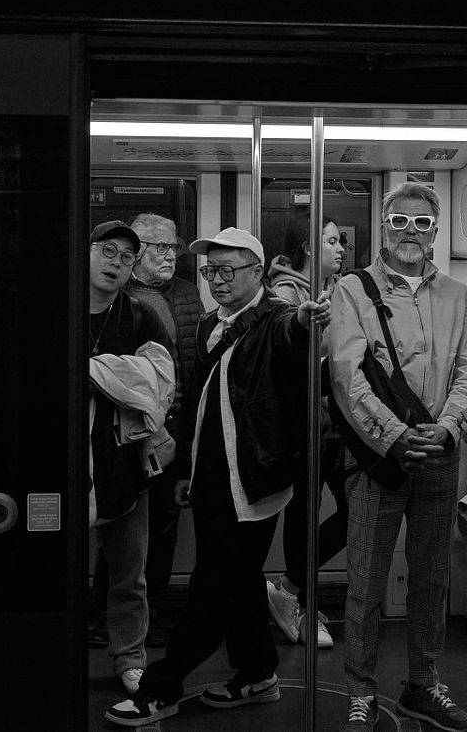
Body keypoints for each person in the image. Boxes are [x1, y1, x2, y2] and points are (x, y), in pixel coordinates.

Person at [106, 227, 332, 728]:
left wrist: (305, 320)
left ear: (259, 272)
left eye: (228, 271)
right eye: (210, 272)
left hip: (251, 478)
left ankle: (160, 689)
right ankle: (257, 673)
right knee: (240, 579)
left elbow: (292, 334)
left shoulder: (273, 318)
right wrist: (186, 469)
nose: (217, 281)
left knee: (212, 587)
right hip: (211, 475)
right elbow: (201, 407)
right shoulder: (212, 323)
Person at [327, 182, 467, 732]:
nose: (410, 233)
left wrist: (442, 430)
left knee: (431, 577)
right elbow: (347, 377)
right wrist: (396, 435)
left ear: (437, 231)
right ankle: (359, 688)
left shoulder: (458, 296)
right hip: (379, 457)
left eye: (422, 223)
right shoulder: (351, 290)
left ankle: (424, 682)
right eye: (400, 222)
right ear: (384, 226)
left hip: (438, 455)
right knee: (366, 580)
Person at [90, 212, 205, 649]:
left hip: (171, 424)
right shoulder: (124, 302)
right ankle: (101, 618)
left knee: (162, 527)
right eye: (157, 247)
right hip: (121, 431)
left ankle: (148, 616)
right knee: (117, 528)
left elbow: (187, 368)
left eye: (172, 247)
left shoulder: (188, 295)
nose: (168, 256)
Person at [86, 219, 176, 697]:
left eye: (126, 257)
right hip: (70, 463)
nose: (115, 263)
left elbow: (160, 384)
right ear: (88, 252)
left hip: (124, 461)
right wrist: (122, 376)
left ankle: (130, 658)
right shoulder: (58, 304)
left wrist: (98, 372)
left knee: (129, 573)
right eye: (108, 251)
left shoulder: (141, 315)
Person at [265, 212, 348, 649]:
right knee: (304, 514)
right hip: (304, 421)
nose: (341, 249)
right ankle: (299, 599)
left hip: (336, 422)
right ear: (311, 247)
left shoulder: (336, 291)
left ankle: (291, 587)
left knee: (355, 511)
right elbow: (294, 357)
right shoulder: (285, 294)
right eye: (333, 241)